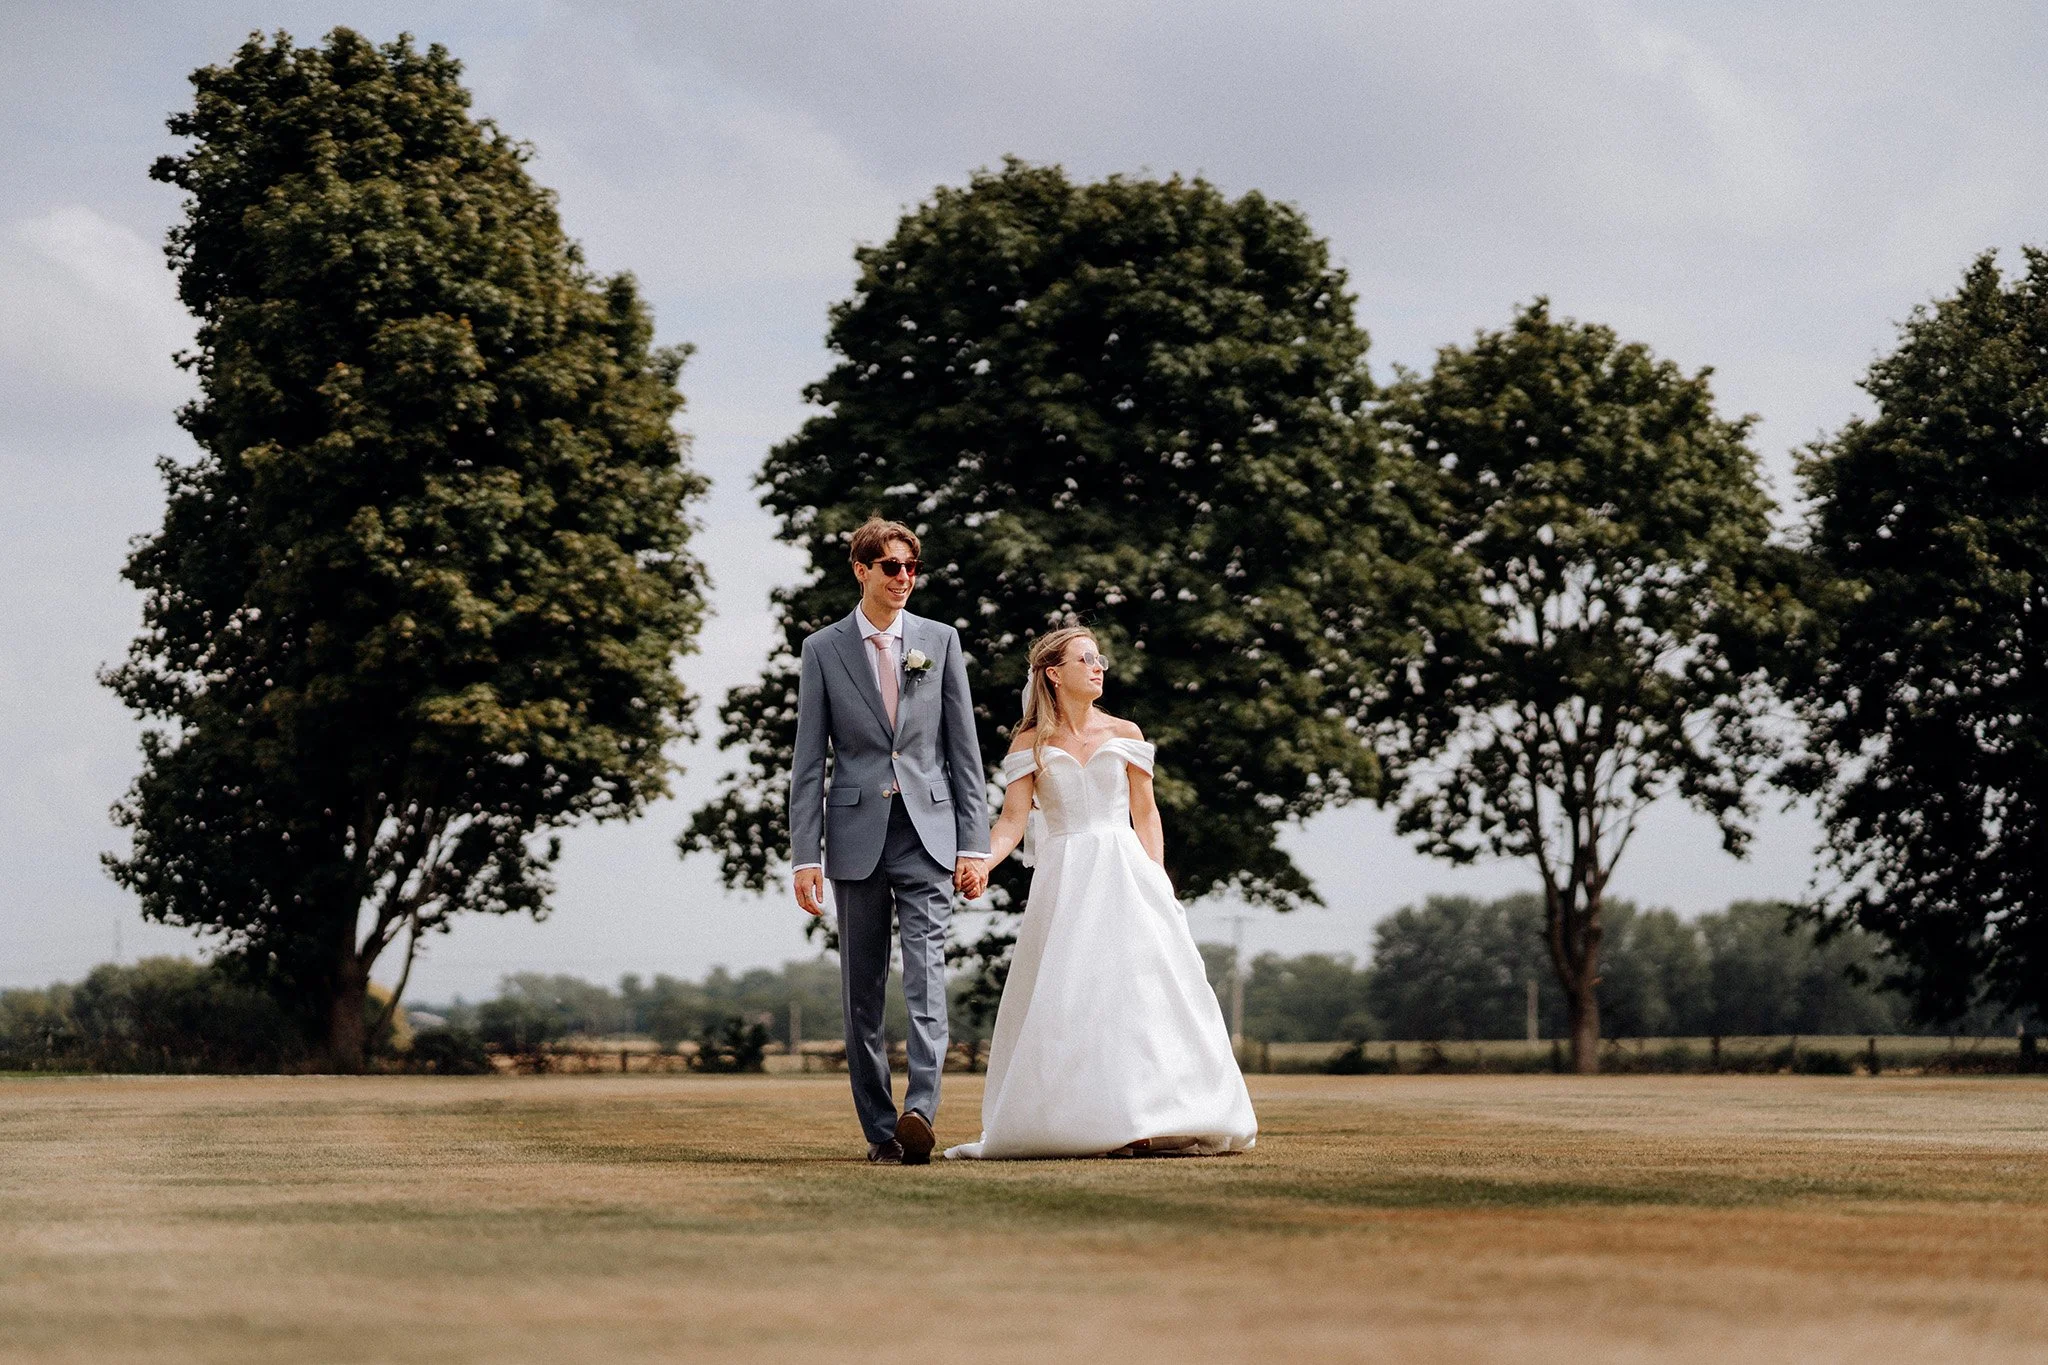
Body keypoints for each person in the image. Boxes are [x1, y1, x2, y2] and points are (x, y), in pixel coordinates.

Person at [944, 626, 1257, 1160]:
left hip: (1126, 872)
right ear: (1052, 673)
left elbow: (1146, 814)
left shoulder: (1125, 732)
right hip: (1066, 879)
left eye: (1100, 659)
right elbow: (1012, 822)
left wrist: (1157, 880)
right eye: (1085, 659)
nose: (1099, 667)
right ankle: (1089, 1118)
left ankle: (1153, 1113)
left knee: (1141, 991)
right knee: (1073, 995)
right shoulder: (1030, 744)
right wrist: (981, 862)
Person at [789, 518, 990, 1165]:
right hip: (853, 838)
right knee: (862, 994)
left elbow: (964, 751)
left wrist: (974, 844)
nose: (904, 577)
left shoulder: (941, 640)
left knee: (926, 980)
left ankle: (918, 1114)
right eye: (890, 566)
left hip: (927, 835)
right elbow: (807, 761)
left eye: (911, 566)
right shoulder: (822, 649)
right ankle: (880, 1131)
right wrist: (804, 855)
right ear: (861, 570)